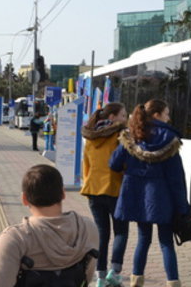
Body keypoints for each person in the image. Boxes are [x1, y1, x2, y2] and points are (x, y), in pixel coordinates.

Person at [110, 99, 190, 287]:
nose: (168, 117)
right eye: (167, 113)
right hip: (163, 199)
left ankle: (136, 281)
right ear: (157, 115)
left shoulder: (132, 135)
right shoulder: (170, 140)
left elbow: (113, 163)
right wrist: (183, 208)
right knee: (166, 243)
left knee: (143, 239)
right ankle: (173, 282)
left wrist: (131, 171)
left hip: (137, 196)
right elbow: (176, 180)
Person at [0, 165, 99, 287]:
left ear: (24, 199)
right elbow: (87, 275)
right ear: (63, 193)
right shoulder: (87, 228)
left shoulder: (15, 239)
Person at [81, 103, 129, 287]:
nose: (125, 119)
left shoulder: (90, 136)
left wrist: (88, 184)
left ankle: (100, 278)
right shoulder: (120, 135)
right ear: (112, 118)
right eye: (123, 115)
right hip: (115, 190)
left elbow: (86, 165)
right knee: (121, 232)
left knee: (102, 234)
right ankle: (114, 273)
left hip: (93, 190)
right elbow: (124, 164)